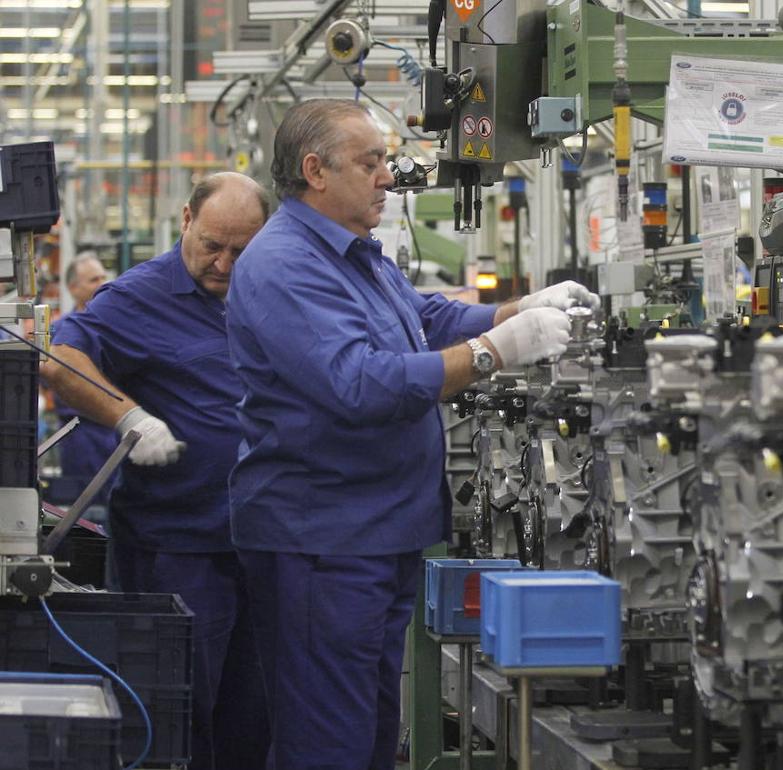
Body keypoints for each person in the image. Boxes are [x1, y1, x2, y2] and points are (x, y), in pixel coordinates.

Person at [227, 98, 596, 770]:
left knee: (369, 733)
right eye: (371, 162)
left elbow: (420, 315)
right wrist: (496, 351)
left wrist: (519, 309)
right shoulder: (285, 264)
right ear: (315, 170)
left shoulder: (352, 252)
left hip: (375, 531)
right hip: (323, 541)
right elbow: (358, 385)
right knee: (326, 743)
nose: (387, 177)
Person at [41, 173, 272, 770]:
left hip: (270, 546)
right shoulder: (139, 297)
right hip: (179, 551)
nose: (224, 263)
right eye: (213, 245)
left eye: (242, 250)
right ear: (186, 220)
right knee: (173, 721)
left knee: (255, 721)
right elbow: (61, 355)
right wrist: (130, 417)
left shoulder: (274, 292)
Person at [49, 253, 116, 520]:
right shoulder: (58, 331)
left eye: (103, 277)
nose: (101, 284)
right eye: (93, 279)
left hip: (117, 431)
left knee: (118, 507)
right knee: (85, 513)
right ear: (73, 288)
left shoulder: (118, 327)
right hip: (79, 434)